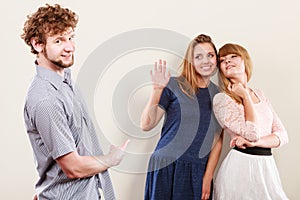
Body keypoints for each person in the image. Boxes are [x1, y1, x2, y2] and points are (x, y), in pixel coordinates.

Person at [21, 4, 129, 200]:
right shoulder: (46, 99)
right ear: (38, 44)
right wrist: (111, 159)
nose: (69, 47)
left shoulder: (65, 82)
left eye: (70, 38)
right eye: (59, 40)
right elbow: (73, 168)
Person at [140, 34, 223, 200]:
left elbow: (217, 140)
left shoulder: (219, 96)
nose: (205, 61)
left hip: (195, 169)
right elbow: (146, 124)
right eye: (198, 57)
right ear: (191, 61)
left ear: (216, 59)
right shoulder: (174, 85)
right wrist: (156, 91)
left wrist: (208, 177)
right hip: (165, 164)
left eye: (210, 55)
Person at [212, 43, 289, 199]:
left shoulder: (260, 94)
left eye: (233, 56)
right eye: (223, 60)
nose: (227, 61)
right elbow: (252, 133)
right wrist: (245, 96)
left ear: (245, 60)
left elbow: (282, 135)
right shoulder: (222, 99)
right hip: (240, 167)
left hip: (266, 166)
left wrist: (256, 143)